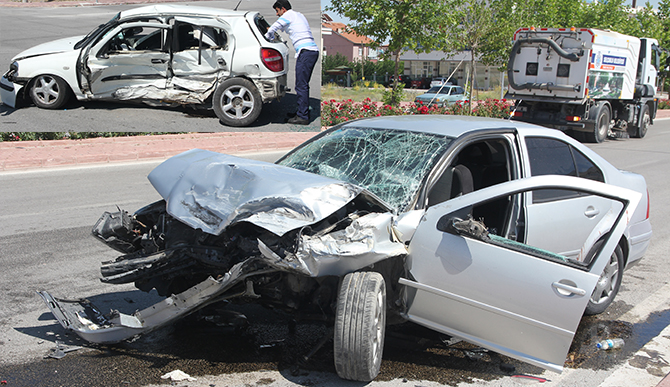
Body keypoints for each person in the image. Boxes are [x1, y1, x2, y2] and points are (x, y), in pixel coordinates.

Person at [265, 0, 319, 125]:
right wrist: (271, 32)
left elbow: (275, 27)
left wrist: (267, 35)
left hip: (306, 52)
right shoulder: (298, 15)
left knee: (301, 85)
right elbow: (281, 29)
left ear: (283, 9)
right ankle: (302, 111)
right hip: (311, 52)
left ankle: (302, 116)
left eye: (277, 11)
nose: (277, 15)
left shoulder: (288, 15)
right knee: (303, 84)